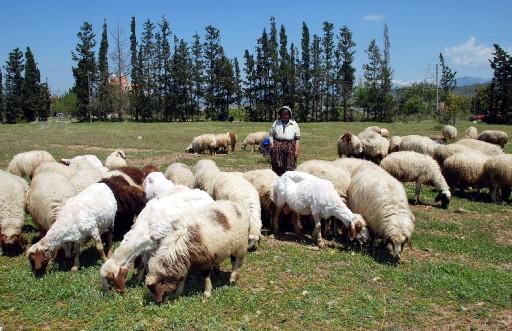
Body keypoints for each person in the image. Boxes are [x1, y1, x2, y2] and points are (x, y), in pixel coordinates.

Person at [268, 106, 301, 176]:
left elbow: (297, 138)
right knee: (277, 164)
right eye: (283, 114)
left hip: (290, 147)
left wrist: (297, 150)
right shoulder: (276, 123)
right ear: (280, 115)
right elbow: (271, 135)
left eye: (286, 114)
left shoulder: (294, 124)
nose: (285, 116)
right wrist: (271, 143)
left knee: (290, 165)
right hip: (277, 146)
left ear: (289, 115)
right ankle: (277, 179)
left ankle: (289, 181)